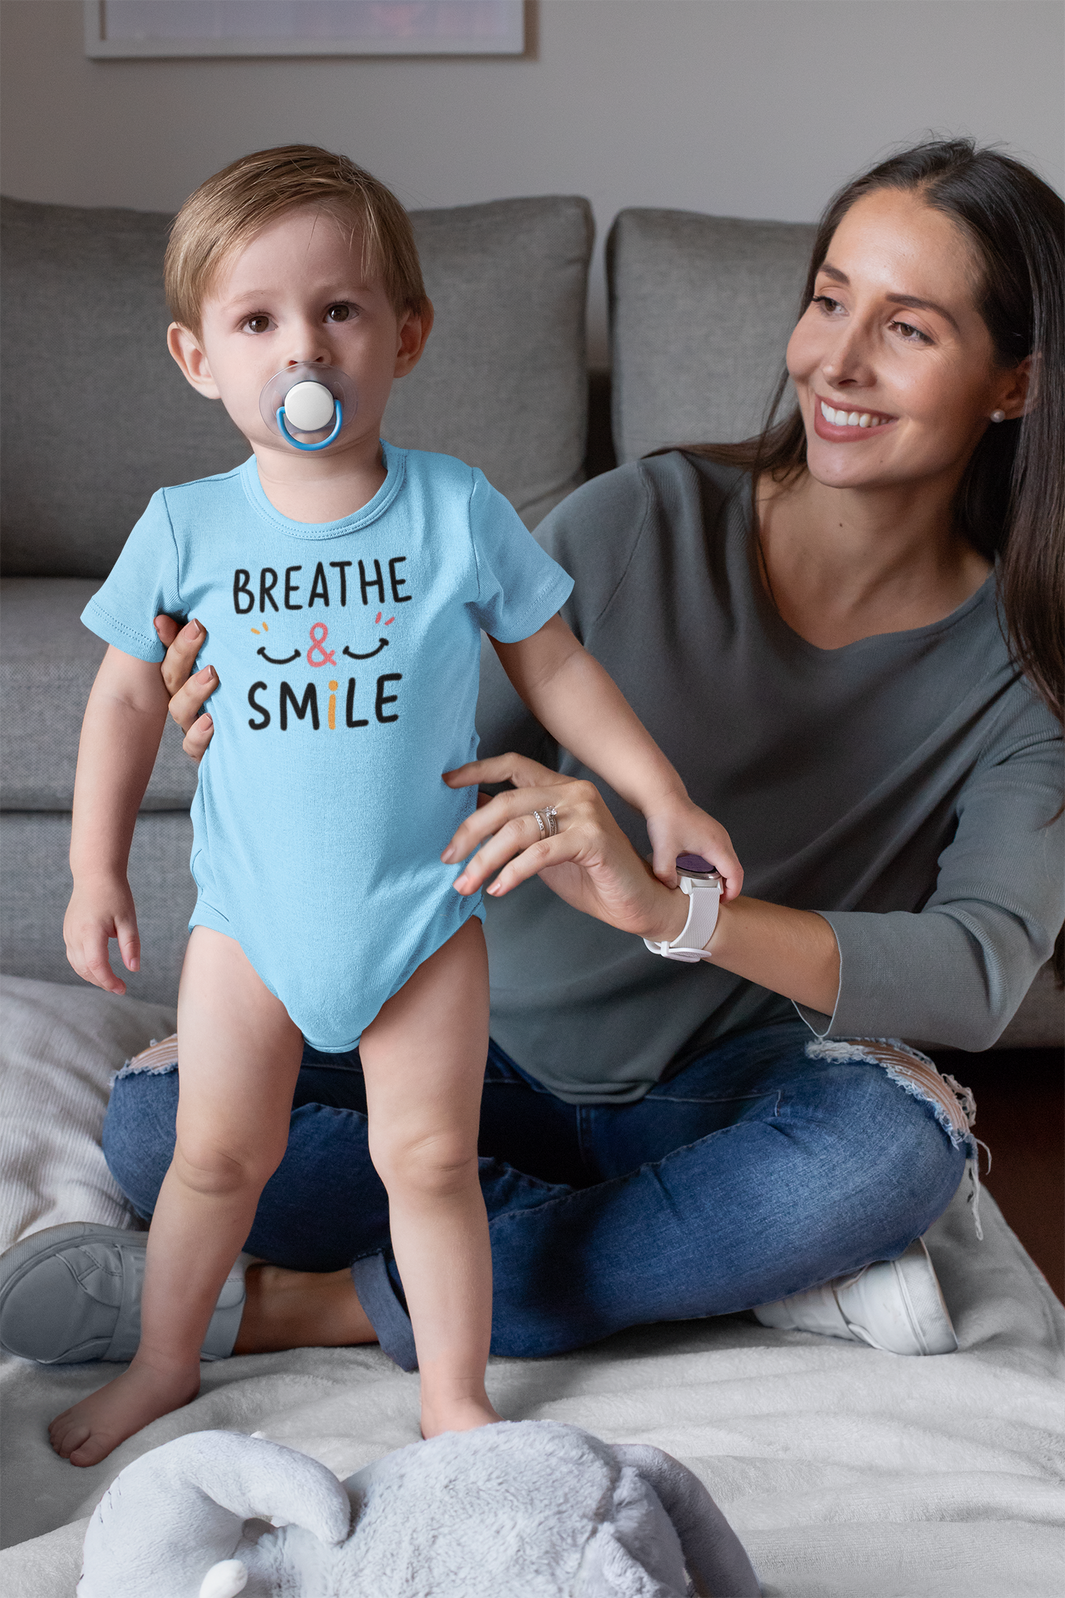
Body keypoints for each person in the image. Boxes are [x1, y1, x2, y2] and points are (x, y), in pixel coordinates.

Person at [3, 138, 1064, 1411]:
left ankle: (319, 1300)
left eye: (908, 328)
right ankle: (682, 1259)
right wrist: (249, 706)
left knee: (884, 1159)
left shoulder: (1022, 673)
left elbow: (982, 967)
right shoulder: (646, 517)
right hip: (477, 1041)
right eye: (828, 298)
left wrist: (672, 910)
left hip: (706, 1092)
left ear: (1016, 381)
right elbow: (409, 728)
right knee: (164, 1124)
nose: (836, 359)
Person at [43, 146, 740, 1467]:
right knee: (209, 1159)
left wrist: (658, 790)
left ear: (405, 334)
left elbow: (557, 663)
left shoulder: (455, 507)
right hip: (250, 920)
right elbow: (127, 704)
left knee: (429, 1161)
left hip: (423, 914)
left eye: (339, 311)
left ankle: (452, 1393)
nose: (302, 350)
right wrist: (97, 869)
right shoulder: (186, 526)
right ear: (199, 356)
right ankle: (165, 1358)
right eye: (258, 322)